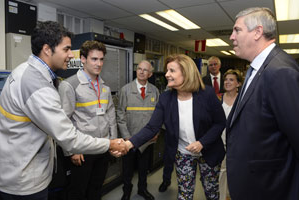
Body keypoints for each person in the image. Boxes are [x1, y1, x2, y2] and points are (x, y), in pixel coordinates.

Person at [0, 21, 126, 200]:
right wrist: (110, 144)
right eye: (66, 49)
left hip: (20, 169)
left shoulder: (23, 70)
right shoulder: (38, 86)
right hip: (24, 179)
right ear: (47, 49)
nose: (70, 55)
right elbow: (68, 136)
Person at [125, 54, 226, 200]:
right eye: (167, 71)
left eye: (172, 71)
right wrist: (128, 144)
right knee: (184, 194)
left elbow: (220, 123)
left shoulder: (207, 94)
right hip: (183, 153)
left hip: (209, 151)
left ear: (185, 72)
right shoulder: (165, 98)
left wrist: (202, 143)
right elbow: (152, 127)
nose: (167, 75)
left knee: (211, 193)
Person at [227, 7, 299, 200]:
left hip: (269, 187)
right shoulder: (257, 68)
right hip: (252, 182)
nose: (232, 37)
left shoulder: (280, 71)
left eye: (237, 30)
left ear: (257, 32)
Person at [58, 40, 117, 200]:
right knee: (78, 192)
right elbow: (64, 121)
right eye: (94, 59)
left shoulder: (104, 87)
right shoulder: (70, 85)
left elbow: (110, 114)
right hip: (83, 150)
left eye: (101, 59)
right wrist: (72, 150)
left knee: (96, 189)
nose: (99, 64)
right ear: (83, 59)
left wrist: (113, 141)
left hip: (103, 147)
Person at [117, 60, 159, 200]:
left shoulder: (154, 91)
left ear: (150, 74)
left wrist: (155, 133)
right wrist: (126, 137)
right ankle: (127, 191)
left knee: (143, 167)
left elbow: (158, 116)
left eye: (145, 70)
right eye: (139, 69)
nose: (141, 71)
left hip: (147, 139)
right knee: (127, 168)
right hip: (129, 138)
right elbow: (120, 114)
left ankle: (142, 189)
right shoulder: (126, 90)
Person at [219, 69, 242, 200]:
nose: (227, 82)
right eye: (226, 79)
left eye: (231, 80)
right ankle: (222, 197)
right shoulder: (218, 98)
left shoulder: (243, 99)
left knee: (237, 172)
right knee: (222, 171)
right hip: (220, 141)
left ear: (238, 84)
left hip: (238, 142)